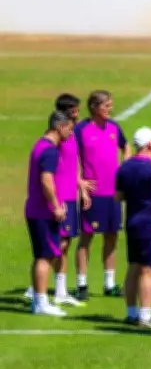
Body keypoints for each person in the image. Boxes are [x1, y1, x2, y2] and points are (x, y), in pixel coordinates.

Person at [24, 94, 88, 307]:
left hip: (67, 195)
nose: (78, 116)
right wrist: (55, 203)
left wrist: (80, 185)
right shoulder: (52, 145)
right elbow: (47, 177)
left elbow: (74, 161)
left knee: (63, 244)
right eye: (75, 112)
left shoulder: (65, 137)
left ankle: (58, 291)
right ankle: (37, 292)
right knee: (51, 248)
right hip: (56, 200)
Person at [74, 90, 131, 301]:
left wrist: (125, 165)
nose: (110, 109)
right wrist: (80, 183)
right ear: (94, 108)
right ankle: (81, 284)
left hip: (113, 192)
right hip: (92, 193)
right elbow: (71, 158)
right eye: (107, 105)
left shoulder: (114, 127)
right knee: (86, 237)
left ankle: (109, 283)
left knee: (112, 235)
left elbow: (126, 146)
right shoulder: (81, 130)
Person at [25, 111, 74, 316]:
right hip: (43, 212)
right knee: (45, 257)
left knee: (44, 256)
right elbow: (46, 181)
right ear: (59, 127)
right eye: (70, 129)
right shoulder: (50, 151)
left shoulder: (40, 145)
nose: (71, 134)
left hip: (36, 210)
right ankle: (41, 303)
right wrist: (56, 206)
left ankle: (39, 299)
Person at [115, 127, 151, 328]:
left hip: (132, 222)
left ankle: (132, 313)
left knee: (133, 267)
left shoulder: (124, 167)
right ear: (150, 144)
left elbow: (118, 196)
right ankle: (145, 316)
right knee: (149, 270)